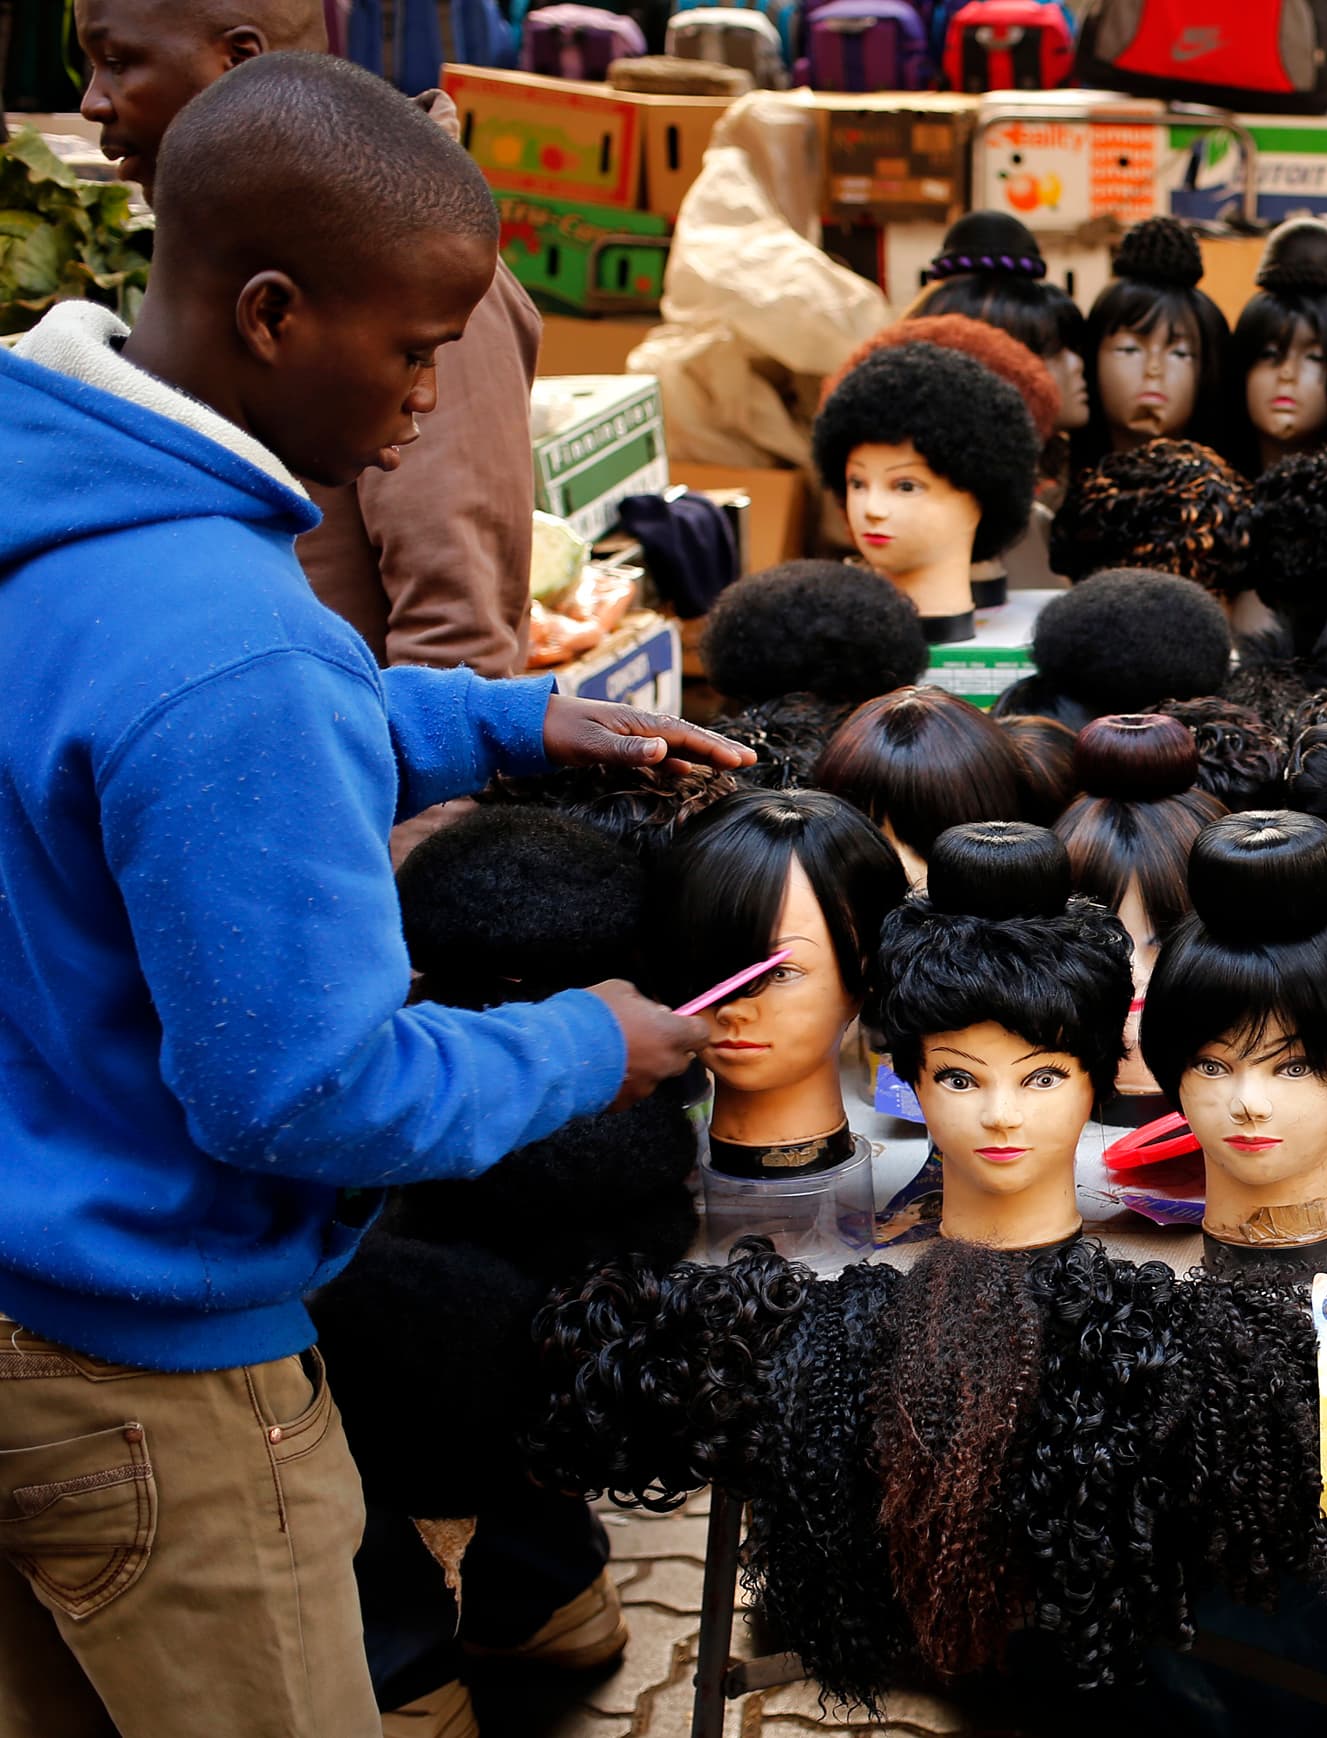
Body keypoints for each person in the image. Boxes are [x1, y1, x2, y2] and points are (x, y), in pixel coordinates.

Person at [0, 54, 749, 1738]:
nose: (431, 397)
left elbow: (121, 739)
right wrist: (585, 1043)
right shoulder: (231, 642)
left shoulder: (55, 506)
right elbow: (305, 1088)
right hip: (152, 1378)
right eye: (412, 349)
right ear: (272, 314)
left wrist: (501, 716)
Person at [78, 0, 544, 677]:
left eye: (119, 62)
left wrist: (437, 772)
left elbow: (459, 637)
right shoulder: (228, 272)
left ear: (239, 62)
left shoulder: (408, 280)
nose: (92, 103)